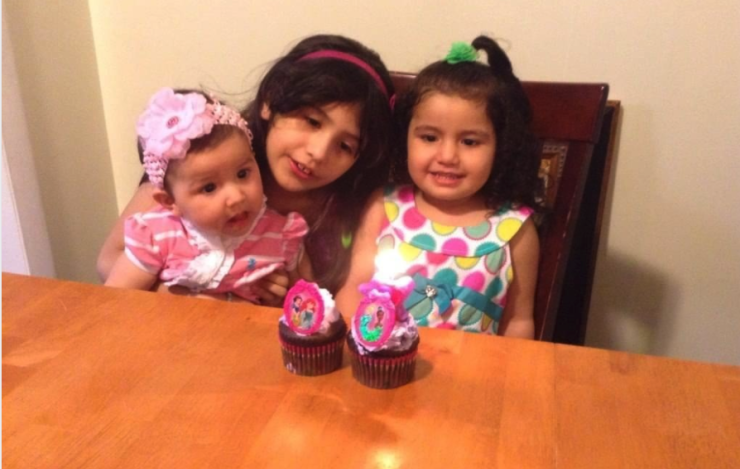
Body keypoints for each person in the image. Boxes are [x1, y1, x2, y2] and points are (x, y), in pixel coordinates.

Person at [97, 35, 397, 304]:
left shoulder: (352, 210)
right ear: (270, 100)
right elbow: (108, 262)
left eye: (345, 146)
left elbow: (323, 301)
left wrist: (282, 294)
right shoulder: (203, 160)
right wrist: (185, 294)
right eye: (311, 121)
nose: (318, 153)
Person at [338, 36, 541, 338]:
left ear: (501, 146)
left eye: (470, 142)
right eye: (429, 137)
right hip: (381, 369)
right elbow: (353, 290)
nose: (447, 157)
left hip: (472, 378)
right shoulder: (384, 207)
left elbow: (519, 321)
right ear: (405, 137)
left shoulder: (515, 229)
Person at [105, 88, 308, 301]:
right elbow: (117, 301)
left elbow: (309, 309)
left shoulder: (281, 234)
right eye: (209, 188)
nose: (236, 196)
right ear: (170, 201)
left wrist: (282, 301)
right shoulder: (158, 236)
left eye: (242, 173)